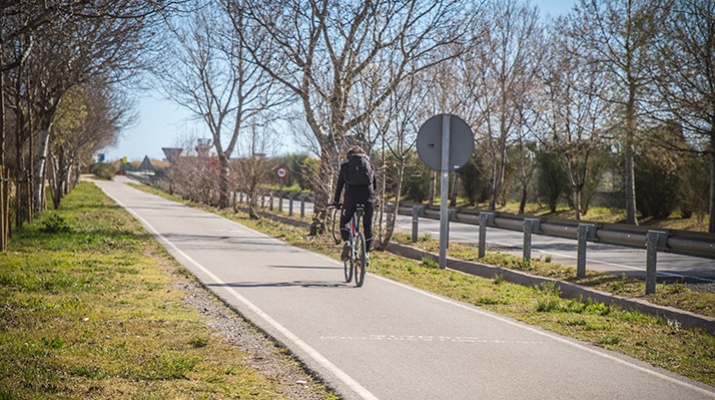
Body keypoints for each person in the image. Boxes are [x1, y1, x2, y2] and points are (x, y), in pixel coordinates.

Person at [333, 146, 376, 263]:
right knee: (367, 225)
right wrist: (373, 200)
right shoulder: (369, 163)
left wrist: (336, 202)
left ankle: (347, 242)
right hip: (368, 197)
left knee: (345, 221)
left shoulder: (346, 166)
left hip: (351, 197)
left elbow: (340, 185)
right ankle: (366, 254)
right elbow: (374, 183)